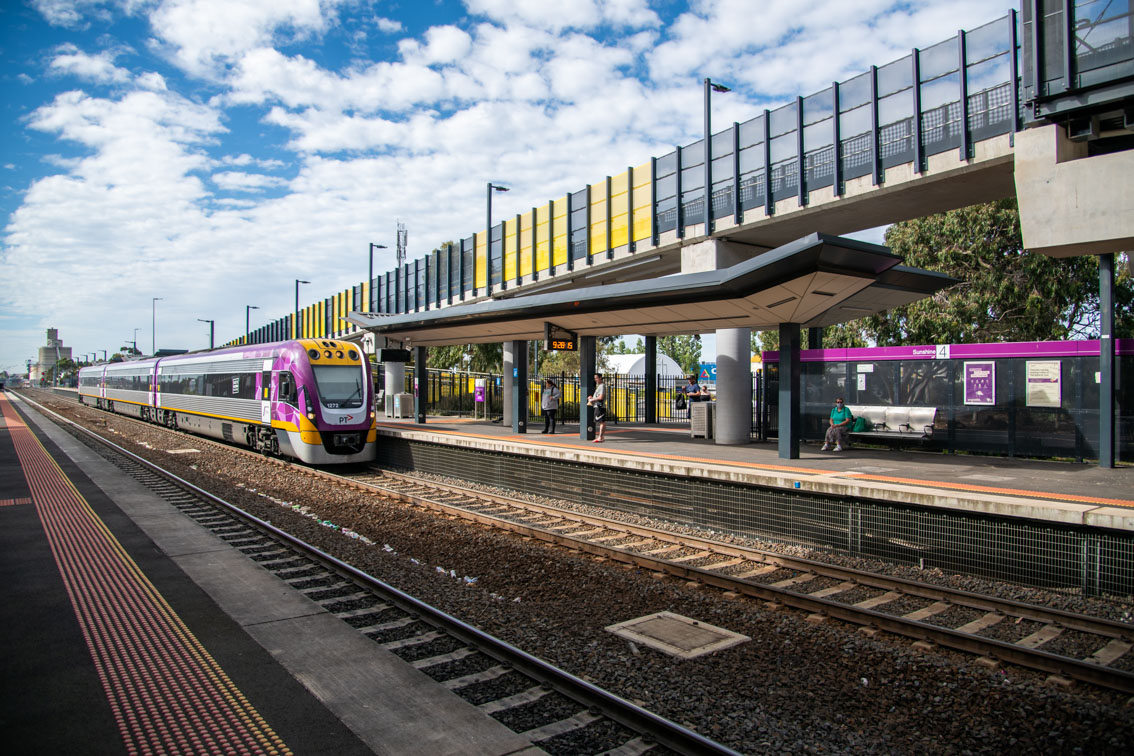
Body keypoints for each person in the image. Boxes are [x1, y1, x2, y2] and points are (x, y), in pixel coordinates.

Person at [586, 373, 606, 442]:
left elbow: (601, 397)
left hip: (600, 406)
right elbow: (598, 396)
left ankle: (601, 437)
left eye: (596, 378)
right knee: (600, 421)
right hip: (597, 406)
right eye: (595, 378)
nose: (595, 380)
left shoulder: (602, 386)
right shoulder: (599, 386)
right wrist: (592, 397)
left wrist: (592, 399)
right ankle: (601, 437)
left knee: (601, 422)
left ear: (600, 377)